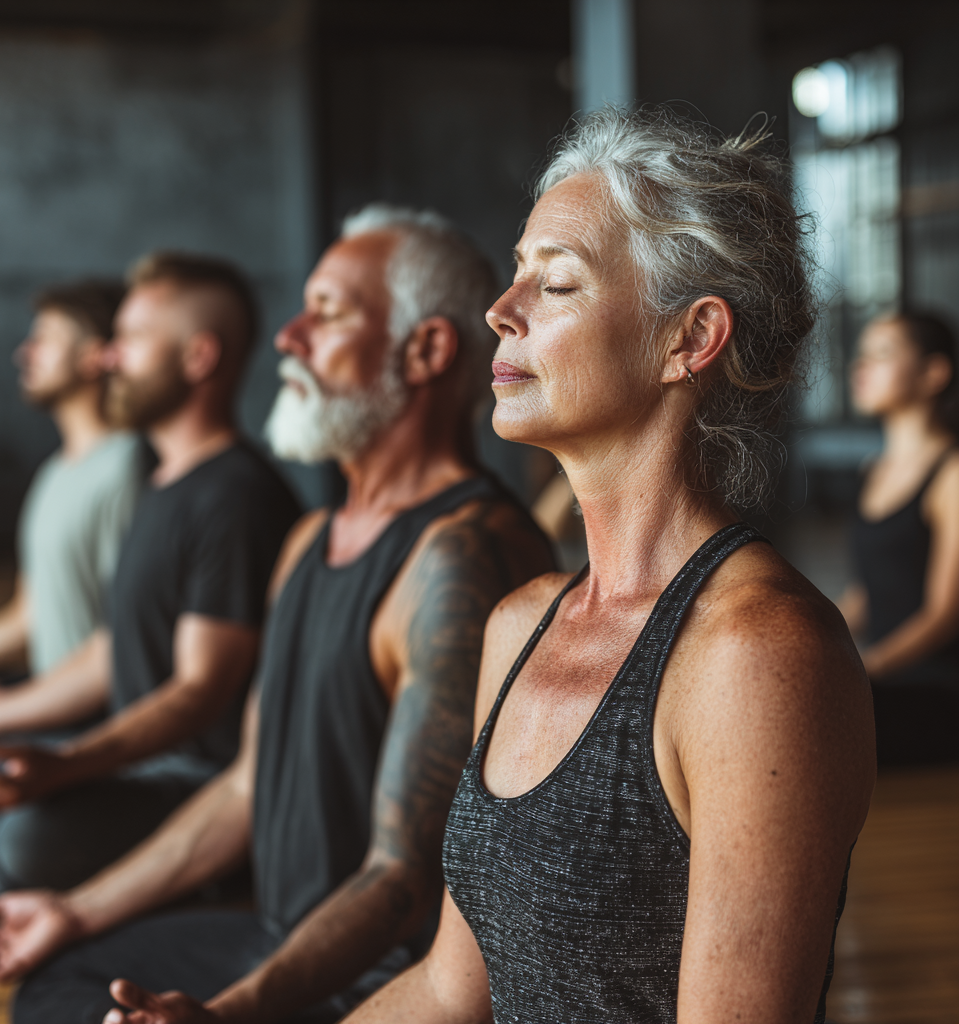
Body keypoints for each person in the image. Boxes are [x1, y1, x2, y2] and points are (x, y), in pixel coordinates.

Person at [0, 205, 554, 1024]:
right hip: (279, 931)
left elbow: (403, 885)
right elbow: (244, 787)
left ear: (428, 350)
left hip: (374, 982)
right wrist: (74, 910)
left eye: (328, 312)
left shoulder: (463, 555)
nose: (289, 336)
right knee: (56, 982)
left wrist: (227, 1015)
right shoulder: (309, 539)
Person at [335, 109, 877, 1024]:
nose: (500, 312)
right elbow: (452, 989)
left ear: (690, 339)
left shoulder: (756, 654)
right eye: (515, 275)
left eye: (555, 283)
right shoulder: (520, 623)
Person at [0, 252, 299, 900]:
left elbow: (199, 691)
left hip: (197, 787)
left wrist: (67, 764)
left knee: (20, 837)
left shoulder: (235, 496)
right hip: (136, 765)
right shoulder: (164, 481)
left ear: (198, 359)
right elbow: (111, 644)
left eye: (129, 341)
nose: (108, 358)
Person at [0, 279, 143, 687]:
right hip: (50, 712)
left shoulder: (126, 466)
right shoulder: (54, 473)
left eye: (44, 339)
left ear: (94, 356)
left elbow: (123, 636)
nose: (23, 353)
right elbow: (28, 617)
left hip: (90, 729)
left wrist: (16, 708)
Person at [839, 311, 959, 765]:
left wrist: (868, 669)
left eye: (882, 354)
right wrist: (816, 636)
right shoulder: (873, 470)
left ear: (934, 373)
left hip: (935, 687)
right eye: (862, 354)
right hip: (887, 681)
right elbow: (866, 595)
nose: (860, 366)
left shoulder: (952, 475)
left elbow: (944, 615)